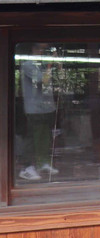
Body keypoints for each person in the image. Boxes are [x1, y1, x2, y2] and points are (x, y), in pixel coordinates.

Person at [19, 44, 58, 181]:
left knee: (45, 136)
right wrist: (50, 64)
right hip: (34, 109)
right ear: (32, 50)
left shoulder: (42, 65)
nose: (41, 52)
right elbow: (43, 80)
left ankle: (43, 163)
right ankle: (26, 168)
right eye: (38, 49)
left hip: (46, 108)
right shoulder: (28, 65)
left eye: (44, 50)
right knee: (32, 138)